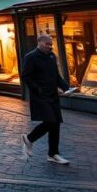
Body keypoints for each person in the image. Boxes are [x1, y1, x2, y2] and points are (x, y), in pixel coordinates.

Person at [20, 35, 71, 165]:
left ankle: (53, 154)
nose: (50, 46)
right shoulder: (30, 57)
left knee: (56, 123)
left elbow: (56, 75)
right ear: (39, 43)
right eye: (47, 44)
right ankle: (29, 138)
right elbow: (25, 76)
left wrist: (66, 87)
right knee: (50, 121)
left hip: (53, 95)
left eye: (51, 44)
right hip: (40, 96)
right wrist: (37, 89)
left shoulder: (52, 56)